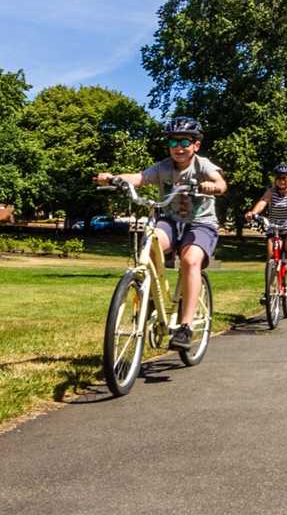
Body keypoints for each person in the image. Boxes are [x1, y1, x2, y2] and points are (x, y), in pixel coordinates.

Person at [94, 117, 227, 350]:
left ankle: (185, 327)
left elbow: (220, 183)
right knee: (152, 239)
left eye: (185, 141)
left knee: (189, 260)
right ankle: (152, 297)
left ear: (196, 145)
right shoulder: (163, 167)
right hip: (171, 220)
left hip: (200, 224)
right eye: (173, 142)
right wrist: (115, 178)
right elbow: (140, 178)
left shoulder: (202, 165)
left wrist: (212, 187)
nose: (179, 147)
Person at [244, 163, 287, 290]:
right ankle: (268, 290)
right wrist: (253, 213)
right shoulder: (271, 191)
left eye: (284, 178)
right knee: (271, 257)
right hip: (274, 228)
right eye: (279, 178)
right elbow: (263, 202)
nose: (281, 181)